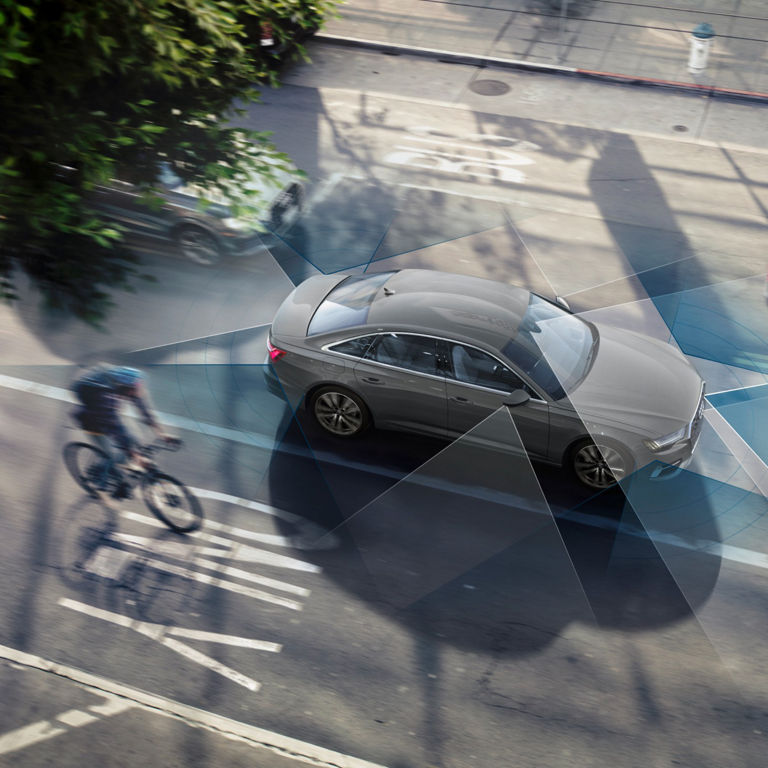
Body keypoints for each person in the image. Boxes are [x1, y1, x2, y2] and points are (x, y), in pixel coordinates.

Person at [71, 364, 176, 499]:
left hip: (111, 416)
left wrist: (162, 434)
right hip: (93, 423)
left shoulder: (130, 388)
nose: (139, 390)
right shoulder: (106, 398)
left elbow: (145, 411)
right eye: (135, 388)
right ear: (125, 389)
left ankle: (120, 474)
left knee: (136, 439)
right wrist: (137, 457)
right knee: (112, 455)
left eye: (140, 386)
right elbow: (116, 431)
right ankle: (99, 481)